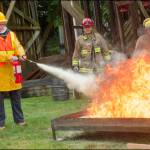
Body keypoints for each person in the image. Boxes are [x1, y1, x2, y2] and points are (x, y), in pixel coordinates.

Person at [0, 12, 27, 129]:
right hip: (1, 74)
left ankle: (19, 120)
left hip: (13, 71)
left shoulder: (11, 34)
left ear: (4, 23)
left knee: (16, 97)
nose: (0, 25)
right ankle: (0, 123)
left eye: (2, 23)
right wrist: (8, 57)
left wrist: (22, 54)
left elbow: (18, 46)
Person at [72, 18, 111, 98]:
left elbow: (105, 51)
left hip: (98, 67)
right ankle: (94, 102)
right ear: (83, 27)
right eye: (86, 27)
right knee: (90, 87)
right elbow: (76, 54)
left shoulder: (98, 37)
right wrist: (75, 66)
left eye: (89, 26)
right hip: (86, 69)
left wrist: (108, 63)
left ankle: (101, 99)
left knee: (100, 85)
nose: (87, 28)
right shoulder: (79, 40)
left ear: (92, 27)